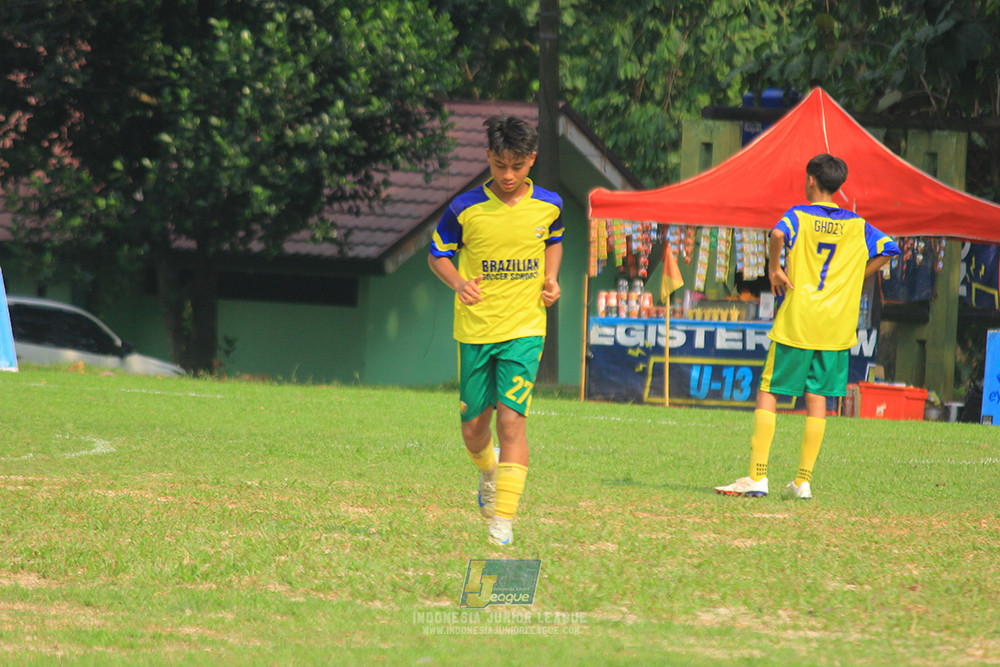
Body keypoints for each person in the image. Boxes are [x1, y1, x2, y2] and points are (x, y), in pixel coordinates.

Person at [715, 153, 900, 500]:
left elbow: (776, 234)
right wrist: (853, 277)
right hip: (836, 326)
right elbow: (890, 249)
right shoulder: (858, 225)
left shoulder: (799, 215)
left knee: (769, 390)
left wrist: (773, 269)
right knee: (817, 397)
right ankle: (802, 481)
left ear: (811, 180)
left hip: (799, 319)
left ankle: (757, 477)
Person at [428, 115, 563, 545]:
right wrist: (458, 283)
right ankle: (489, 473)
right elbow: (437, 254)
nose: (508, 175)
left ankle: (502, 520)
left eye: (518, 166)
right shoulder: (463, 209)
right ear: (488, 157)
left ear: (532, 161)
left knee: (512, 422)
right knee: (473, 427)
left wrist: (551, 279)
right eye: (501, 164)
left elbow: (553, 240)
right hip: (475, 331)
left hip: (525, 329)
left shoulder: (550, 205)